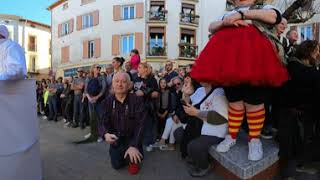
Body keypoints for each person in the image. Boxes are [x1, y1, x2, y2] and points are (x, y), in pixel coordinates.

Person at [191, 0, 289, 161]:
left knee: (254, 102)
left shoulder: (262, 8)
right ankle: (232, 135)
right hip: (229, 65)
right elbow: (211, 27)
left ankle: (254, 139)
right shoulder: (227, 12)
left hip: (255, 63)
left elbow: (275, 17)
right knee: (234, 102)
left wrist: (243, 14)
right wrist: (225, 21)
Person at [277, 40, 320, 179]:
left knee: (295, 144)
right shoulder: (309, 72)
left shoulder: (291, 65)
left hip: (291, 113)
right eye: (316, 50)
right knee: (299, 143)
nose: (318, 53)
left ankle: (293, 170)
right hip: (301, 115)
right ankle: (293, 171)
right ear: (309, 52)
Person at [100, 72, 147, 175]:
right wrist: (105, 134)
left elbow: (141, 124)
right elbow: (103, 121)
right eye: (117, 81)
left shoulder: (137, 101)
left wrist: (134, 145)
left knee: (133, 169)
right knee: (116, 165)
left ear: (129, 85)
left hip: (132, 138)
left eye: (123, 82)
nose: (120, 84)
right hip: (117, 138)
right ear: (112, 84)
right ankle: (122, 153)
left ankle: (134, 151)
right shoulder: (107, 102)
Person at [183, 84, 228, 177]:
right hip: (203, 126)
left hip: (217, 131)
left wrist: (197, 113)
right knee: (183, 135)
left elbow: (221, 117)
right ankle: (197, 158)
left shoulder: (219, 93)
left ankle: (205, 166)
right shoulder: (200, 89)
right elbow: (190, 103)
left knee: (194, 146)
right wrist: (186, 95)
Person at [132, 62, 159, 152]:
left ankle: (149, 143)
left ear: (145, 69)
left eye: (140, 67)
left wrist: (144, 93)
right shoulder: (136, 79)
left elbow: (156, 93)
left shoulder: (152, 80)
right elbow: (134, 91)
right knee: (138, 126)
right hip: (137, 107)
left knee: (148, 125)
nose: (138, 69)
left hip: (148, 107)